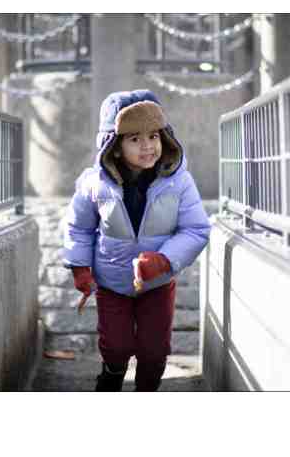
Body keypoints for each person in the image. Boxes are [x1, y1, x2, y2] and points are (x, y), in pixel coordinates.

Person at [62, 89, 211, 392]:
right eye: (135, 139)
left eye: (154, 136)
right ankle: (112, 375)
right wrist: (80, 267)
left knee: (154, 352)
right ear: (114, 147)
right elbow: (78, 227)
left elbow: (196, 229)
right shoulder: (94, 184)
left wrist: (164, 260)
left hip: (157, 284)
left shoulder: (179, 181)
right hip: (112, 282)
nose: (148, 146)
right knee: (116, 346)